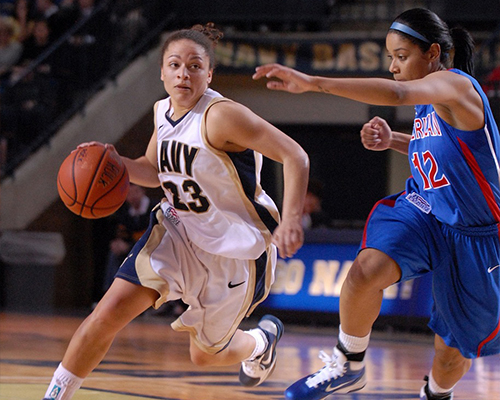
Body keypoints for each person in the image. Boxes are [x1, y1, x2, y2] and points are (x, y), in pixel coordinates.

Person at [41, 22, 309, 400]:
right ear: (162, 72)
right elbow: (153, 170)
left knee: (203, 356)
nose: (184, 73)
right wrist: (113, 161)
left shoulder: (221, 116)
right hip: (178, 232)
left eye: (195, 65)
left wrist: (293, 217)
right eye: (175, 64)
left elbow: (295, 155)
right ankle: (56, 395)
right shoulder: (162, 110)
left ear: (209, 73)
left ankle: (260, 342)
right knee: (107, 313)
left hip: (235, 253)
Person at [253, 7, 500, 400]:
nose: (393, 66)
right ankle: (348, 362)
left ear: (432, 53)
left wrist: (314, 82)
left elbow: (397, 94)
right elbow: (440, 149)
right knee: (364, 271)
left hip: (476, 235)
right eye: (390, 57)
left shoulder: (457, 86)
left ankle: (435, 394)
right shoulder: (429, 101)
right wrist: (394, 141)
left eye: (401, 56)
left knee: (451, 354)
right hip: (425, 210)